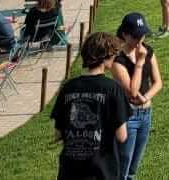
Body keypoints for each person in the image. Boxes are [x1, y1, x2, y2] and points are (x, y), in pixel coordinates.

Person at [52, 31, 129, 180]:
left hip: (70, 171)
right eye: (114, 54)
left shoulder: (68, 87)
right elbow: (122, 136)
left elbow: (58, 133)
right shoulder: (112, 88)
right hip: (101, 170)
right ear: (107, 56)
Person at [111, 13, 163, 180]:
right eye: (136, 36)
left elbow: (158, 82)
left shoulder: (148, 51)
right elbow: (132, 92)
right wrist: (139, 63)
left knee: (134, 167)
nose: (140, 39)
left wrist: (146, 98)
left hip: (146, 114)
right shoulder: (118, 60)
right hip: (128, 117)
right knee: (123, 167)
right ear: (125, 35)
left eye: (143, 34)